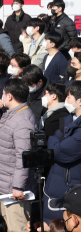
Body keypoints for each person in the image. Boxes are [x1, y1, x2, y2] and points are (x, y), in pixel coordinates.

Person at [0, 78, 36, 232]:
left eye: (3, 93)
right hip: (5, 183)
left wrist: (18, 186)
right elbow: (2, 134)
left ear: (9, 96)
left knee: (16, 226)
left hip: (13, 188)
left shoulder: (22, 121)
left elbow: (24, 156)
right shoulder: (14, 113)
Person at [43, 81, 81, 223]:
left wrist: (56, 141)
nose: (65, 101)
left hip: (71, 188)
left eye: (69, 97)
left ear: (79, 101)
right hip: (57, 185)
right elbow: (55, 138)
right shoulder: (67, 120)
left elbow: (59, 151)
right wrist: (56, 140)